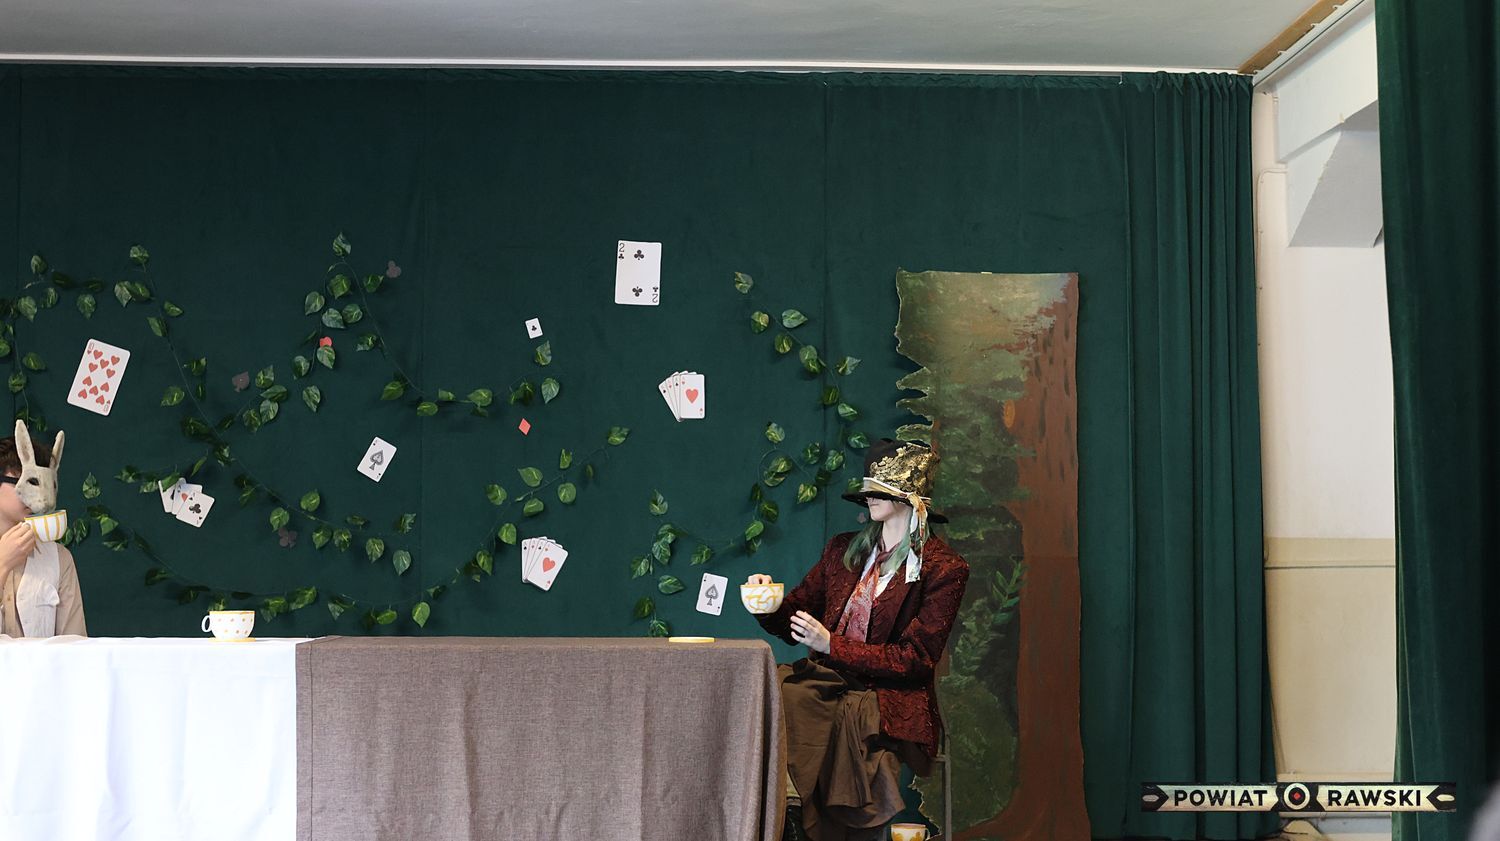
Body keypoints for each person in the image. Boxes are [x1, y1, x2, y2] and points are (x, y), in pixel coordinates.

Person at [747, 438, 969, 841]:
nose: (869, 497)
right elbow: (795, 618)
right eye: (868, 489)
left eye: (880, 489)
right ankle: (788, 809)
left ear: (909, 498)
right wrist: (768, 602)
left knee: (803, 701)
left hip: (889, 694)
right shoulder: (842, 551)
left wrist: (832, 645)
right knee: (774, 689)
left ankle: (797, 811)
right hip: (827, 682)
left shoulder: (944, 568)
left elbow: (915, 659)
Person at [0, 431, 86, 638]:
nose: (37, 497)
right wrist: (3, 563)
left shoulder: (59, 559)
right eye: (27, 482)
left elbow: (74, 644)